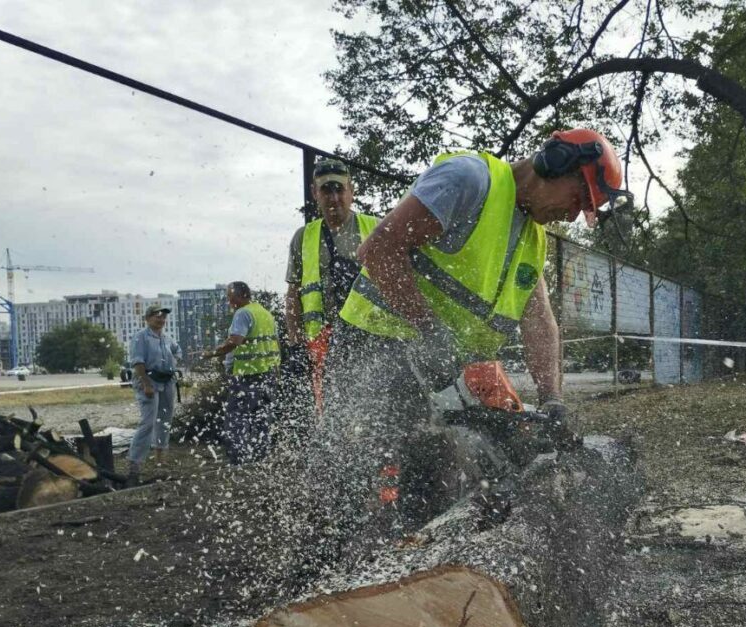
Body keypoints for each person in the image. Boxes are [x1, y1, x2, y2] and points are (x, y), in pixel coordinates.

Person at [334, 128, 632, 514]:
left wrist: (552, 399)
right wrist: (431, 332)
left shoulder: (532, 239)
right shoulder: (470, 179)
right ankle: (324, 560)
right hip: (373, 344)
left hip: (435, 358)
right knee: (352, 472)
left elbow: (539, 319)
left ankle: (413, 558)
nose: (573, 214)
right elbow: (379, 248)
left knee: (437, 474)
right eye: (578, 198)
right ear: (554, 164)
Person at [283, 158, 378, 413]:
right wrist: (295, 343)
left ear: (351, 191)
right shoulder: (303, 238)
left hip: (372, 340)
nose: (334, 197)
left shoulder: (376, 228)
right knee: (331, 415)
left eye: (339, 189)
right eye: (326, 190)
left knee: (374, 411)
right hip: (322, 344)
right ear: (315, 193)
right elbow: (293, 295)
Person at [204, 282, 280, 464]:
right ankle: (260, 457)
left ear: (240, 295)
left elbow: (235, 340)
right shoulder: (265, 313)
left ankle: (238, 459)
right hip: (267, 373)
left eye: (230, 297)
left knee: (237, 417)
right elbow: (276, 343)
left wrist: (213, 353)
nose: (229, 301)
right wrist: (276, 370)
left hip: (248, 375)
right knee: (261, 417)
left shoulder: (243, 313)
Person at [127, 305, 182, 487]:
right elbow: (138, 362)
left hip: (167, 382)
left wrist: (175, 361)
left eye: (163, 317)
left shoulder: (166, 338)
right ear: (148, 318)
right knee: (148, 422)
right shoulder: (141, 337)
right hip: (149, 381)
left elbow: (176, 350)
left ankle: (161, 461)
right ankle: (135, 464)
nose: (161, 320)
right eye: (158, 317)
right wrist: (146, 383)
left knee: (165, 420)